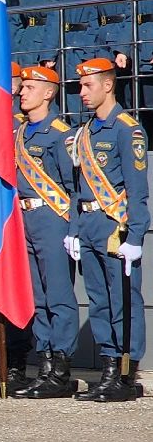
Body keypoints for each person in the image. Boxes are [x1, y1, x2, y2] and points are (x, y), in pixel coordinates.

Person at [69, 58, 149, 402]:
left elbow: (137, 190)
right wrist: (74, 228)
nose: (82, 93)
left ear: (107, 85)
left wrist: (136, 235)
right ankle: (108, 366)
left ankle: (126, 373)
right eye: (80, 87)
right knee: (99, 301)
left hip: (115, 227)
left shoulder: (127, 129)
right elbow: (76, 187)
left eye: (88, 85)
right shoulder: (85, 132)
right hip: (88, 224)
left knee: (123, 301)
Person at [10, 66, 81, 398]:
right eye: (22, 87)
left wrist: (73, 229)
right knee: (37, 298)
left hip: (52, 218)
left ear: (49, 92)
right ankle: (46, 362)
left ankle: (61, 370)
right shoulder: (21, 132)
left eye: (29, 87)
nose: (22, 92)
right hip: (24, 220)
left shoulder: (60, 134)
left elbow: (74, 188)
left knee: (58, 296)